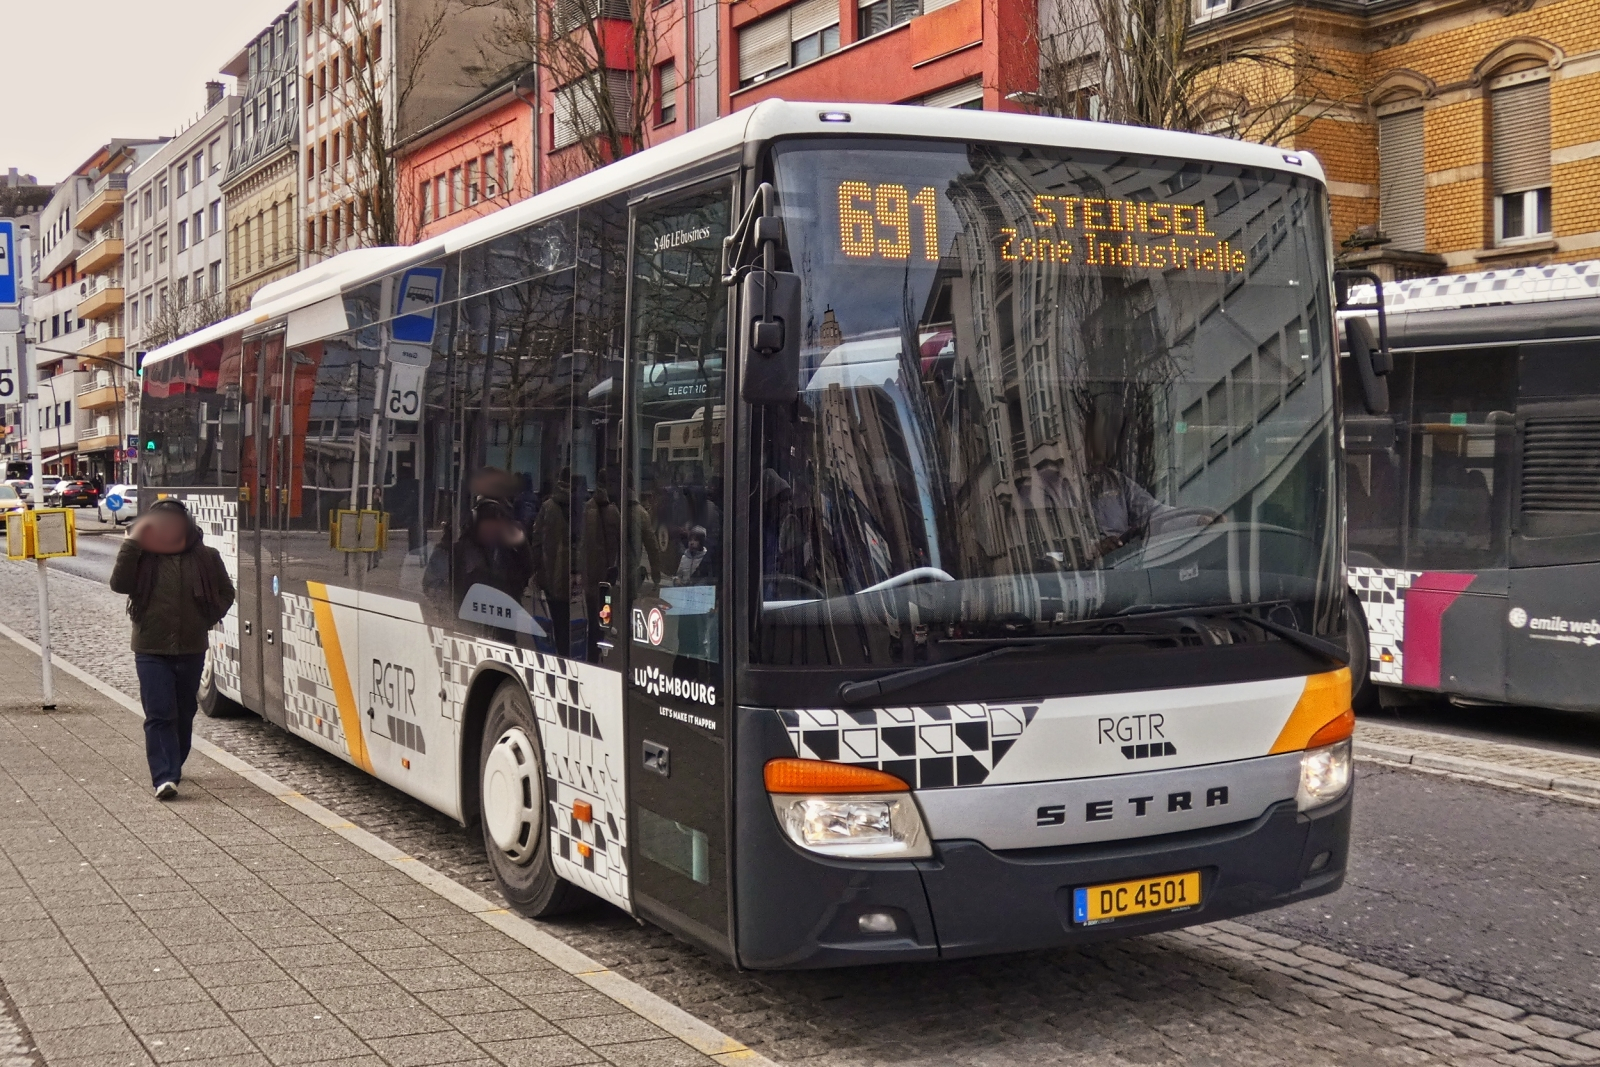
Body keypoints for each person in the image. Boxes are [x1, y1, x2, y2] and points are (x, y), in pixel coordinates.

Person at [109, 500, 235, 799]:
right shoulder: (142, 556)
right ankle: (164, 776)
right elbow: (119, 584)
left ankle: (174, 763)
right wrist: (130, 545)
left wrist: (205, 618)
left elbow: (226, 592)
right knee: (159, 713)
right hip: (151, 647)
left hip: (191, 647)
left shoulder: (206, 556)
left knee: (184, 711)